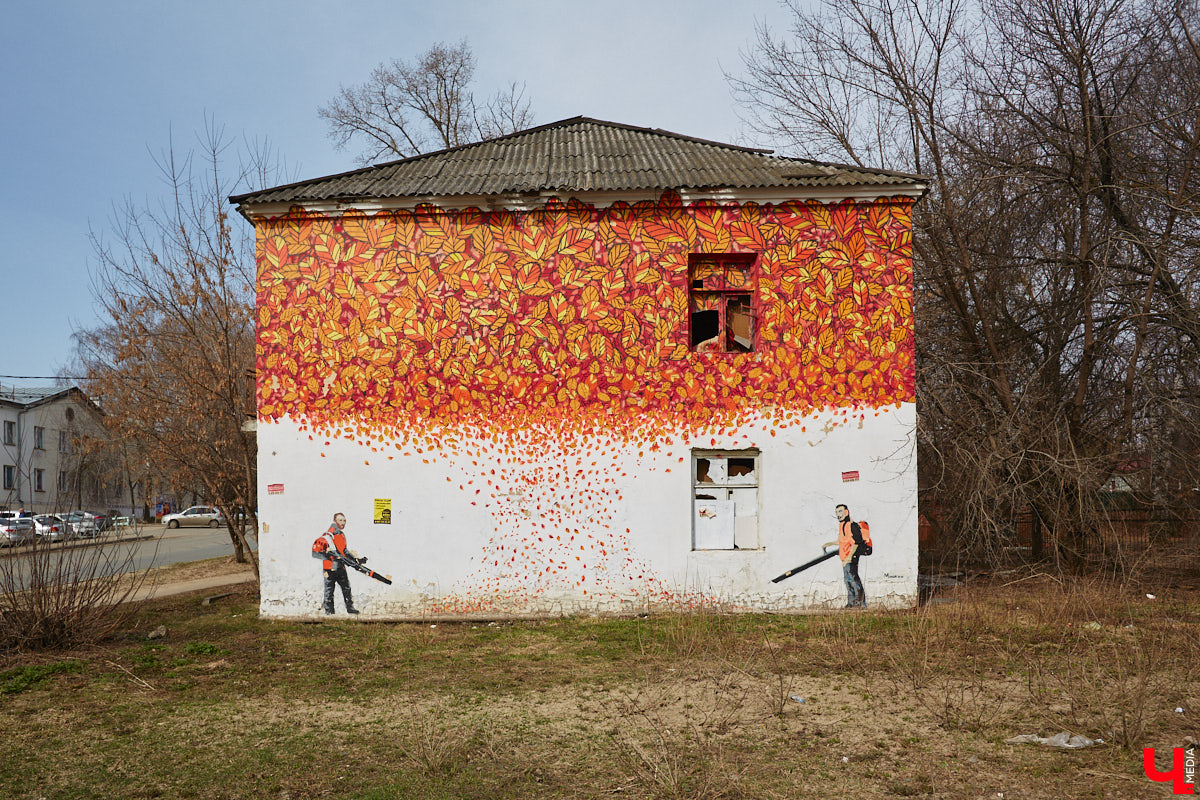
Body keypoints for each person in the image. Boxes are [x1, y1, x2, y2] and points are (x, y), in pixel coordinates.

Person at [312, 512, 360, 614]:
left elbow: (344, 551)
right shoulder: (328, 536)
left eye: (344, 521)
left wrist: (354, 558)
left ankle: (350, 608)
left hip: (341, 567)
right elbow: (316, 553)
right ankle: (329, 612)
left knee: (346, 588)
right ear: (335, 521)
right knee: (329, 590)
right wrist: (331, 557)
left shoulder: (342, 535)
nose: (343, 523)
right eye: (340, 520)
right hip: (330, 568)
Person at [823, 504, 866, 608]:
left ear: (846, 512)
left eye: (840, 511)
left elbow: (855, 543)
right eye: (837, 512)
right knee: (848, 581)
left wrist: (849, 558)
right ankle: (851, 603)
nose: (838, 515)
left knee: (854, 580)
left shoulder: (851, 525)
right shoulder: (842, 525)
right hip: (844, 559)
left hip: (851, 559)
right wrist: (829, 544)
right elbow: (842, 541)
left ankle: (861, 604)